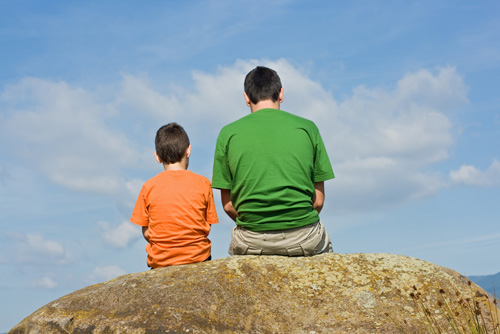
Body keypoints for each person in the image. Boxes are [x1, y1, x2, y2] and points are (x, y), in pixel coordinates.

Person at [212, 66, 335, 256]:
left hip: (250, 240)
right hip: (304, 236)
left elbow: (228, 205)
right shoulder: (308, 128)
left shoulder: (227, 134)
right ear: (281, 94)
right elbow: (318, 201)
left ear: (246, 98)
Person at [131, 122, 219, 268]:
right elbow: (206, 224)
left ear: (157, 157)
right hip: (198, 257)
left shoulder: (148, 187)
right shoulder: (203, 183)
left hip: (161, 261)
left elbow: (146, 231)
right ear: (188, 150)